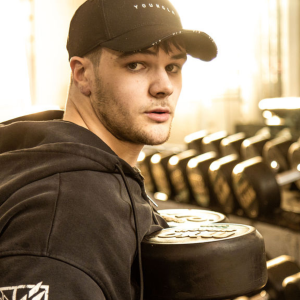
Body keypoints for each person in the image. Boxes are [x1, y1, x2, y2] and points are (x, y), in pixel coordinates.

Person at [0, 0, 217, 299]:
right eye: (136, 64)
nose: (164, 86)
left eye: (173, 67)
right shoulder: (67, 214)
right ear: (82, 74)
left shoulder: (100, 178)